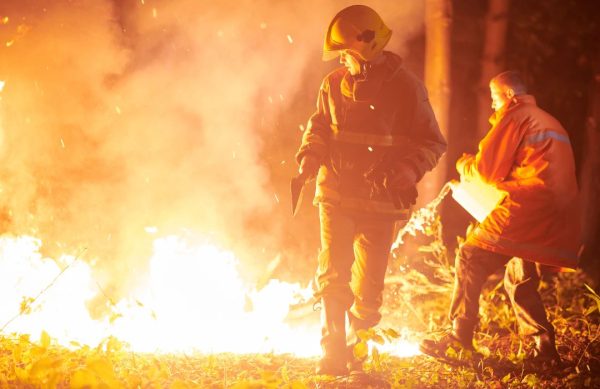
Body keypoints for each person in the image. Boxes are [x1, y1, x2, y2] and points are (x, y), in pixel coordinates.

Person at [295, 5, 446, 375]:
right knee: (333, 271)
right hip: (335, 195)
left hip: (380, 204)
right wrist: (309, 157)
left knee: (368, 290)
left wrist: (408, 170)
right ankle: (332, 352)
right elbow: (318, 128)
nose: (342, 59)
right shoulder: (332, 85)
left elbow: (431, 142)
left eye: (346, 51)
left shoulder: (407, 88)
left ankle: (357, 348)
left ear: (368, 44)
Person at [420, 70, 581, 367]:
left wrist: (464, 164)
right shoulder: (550, 121)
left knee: (470, 256)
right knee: (520, 275)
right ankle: (544, 351)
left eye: (495, 99)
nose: (493, 106)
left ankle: (458, 339)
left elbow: (486, 171)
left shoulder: (516, 115)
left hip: (528, 206)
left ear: (509, 96)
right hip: (558, 214)